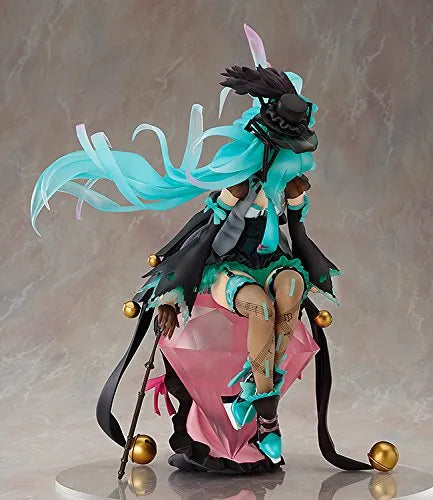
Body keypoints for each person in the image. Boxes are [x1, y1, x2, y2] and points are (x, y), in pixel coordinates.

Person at [31, 24, 371, 473]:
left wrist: (296, 210)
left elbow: (298, 233)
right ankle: (266, 419)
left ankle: (256, 392)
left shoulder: (287, 187)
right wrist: (175, 285)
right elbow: (203, 233)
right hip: (229, 269)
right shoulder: (238, 185)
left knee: (290, 290)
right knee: (262, 309)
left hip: (274, 263)